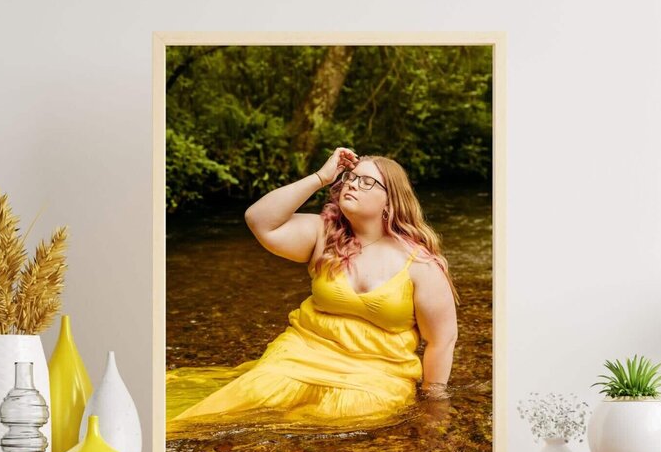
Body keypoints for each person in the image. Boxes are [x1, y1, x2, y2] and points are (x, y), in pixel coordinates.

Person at [165, 147, 459, 436]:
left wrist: (434, 400)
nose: (353, 184)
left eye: (366, 181)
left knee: (357, 415)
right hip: (302, 353)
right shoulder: (324, 233)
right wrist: (321, 176)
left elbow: (442, 339)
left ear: (390, 201)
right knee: (239, 403)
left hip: (376, 373)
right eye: (350, 177)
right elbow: (259, 221)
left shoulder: (421, 264)